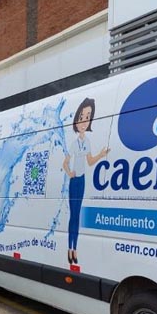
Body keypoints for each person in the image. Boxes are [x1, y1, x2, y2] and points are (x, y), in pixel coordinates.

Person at [62, 98, 109, 267]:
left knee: (77, 216)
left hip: (82, 180)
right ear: (76, 120)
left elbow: (89, 162)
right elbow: (65, 163)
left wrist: (101, 155)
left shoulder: (87, 142)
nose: (84, 121)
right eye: (81, 117)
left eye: (87, 118)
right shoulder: (74, 143)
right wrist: (70, 173)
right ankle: (69, 248)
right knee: (73, 216)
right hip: (74, 181)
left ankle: (74, 248)